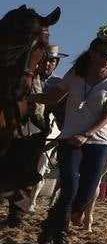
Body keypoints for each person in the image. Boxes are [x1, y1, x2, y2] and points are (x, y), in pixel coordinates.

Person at [36, 28, 107, 244]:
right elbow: (54, 98)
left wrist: (86, 134)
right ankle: (60, 239)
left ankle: (48, 225)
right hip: (69, 140)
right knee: (69, 189)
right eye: (105, 54)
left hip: (98, 143)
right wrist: (28, 96)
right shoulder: (75, 74)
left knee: (85, 196)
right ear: (93, 53)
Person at [4, 43, 66, 226]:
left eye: (52, 61)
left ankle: (16, 214)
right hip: (17, 126)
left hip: (41, 131)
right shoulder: (26, 77)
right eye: (46, 60)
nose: (48, 64)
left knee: (28, 173)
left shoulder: (58, 83)